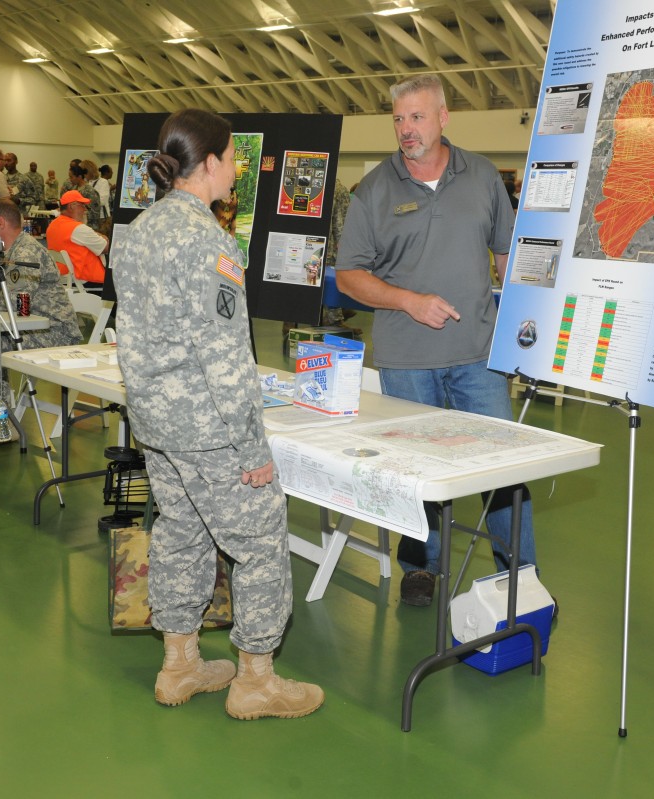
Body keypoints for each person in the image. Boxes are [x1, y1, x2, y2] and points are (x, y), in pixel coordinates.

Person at [112, 108, 323, 720]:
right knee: (259, 542)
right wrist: (253, 450)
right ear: (208, 164)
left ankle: (179, 665)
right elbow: (226, 356)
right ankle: (256, 679)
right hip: (209, 430)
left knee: (181, 531)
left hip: (156, 424)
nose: (236, 171)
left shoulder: (138, 230)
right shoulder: (208, 242)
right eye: (232, 160)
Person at [334, 74, 532, 607]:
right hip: (407, 360)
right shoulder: (375, 189)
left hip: (478, 357)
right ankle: (421, 566)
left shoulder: (483, 176)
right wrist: (409, 301)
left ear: (443, 118)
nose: (406, 129)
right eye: (399, 119)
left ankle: (521, 575)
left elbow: (507, 256)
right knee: (415, 472)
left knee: (504, 472)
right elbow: (348, 276)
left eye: (417, 117)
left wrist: (523, 331)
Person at [0, 198, 80, 446]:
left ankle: (3, 425)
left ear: (0, 223)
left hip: (53, 332)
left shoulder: (25, 252)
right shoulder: (2, 251)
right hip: (25, 327)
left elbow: (13, 303)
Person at [45, 189, 108, 288]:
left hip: (64, 278)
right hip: (86, 280)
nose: (85, 209)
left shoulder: (53, 225)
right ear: (72, 206)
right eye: (82, 205)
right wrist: (104, 237)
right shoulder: (78, 229)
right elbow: (106, 247)